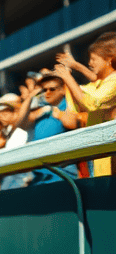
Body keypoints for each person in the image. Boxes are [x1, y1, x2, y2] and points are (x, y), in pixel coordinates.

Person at [50, 33, 116, 176]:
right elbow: (94, 83)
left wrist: (67, 77)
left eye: (93, 59)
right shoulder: (104, 82)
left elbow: (91, 103)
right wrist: (74, 67)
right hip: (100, 147)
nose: (90, 63)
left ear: (109, 60)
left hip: (110, 150)